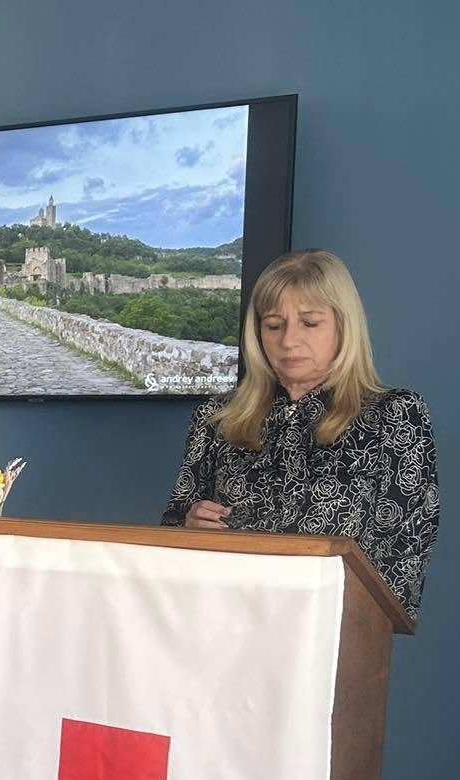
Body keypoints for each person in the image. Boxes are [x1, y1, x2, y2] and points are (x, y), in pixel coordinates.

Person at [162, 249, 440, 620]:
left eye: (310, 323)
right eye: (274, 325)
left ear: (344, 326)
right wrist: (188, 528)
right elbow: (170, 531)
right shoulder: (216, 417)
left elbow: (404, 553)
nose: (289, 340)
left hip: (327, 631)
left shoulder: (393, 415)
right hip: (217, 621)